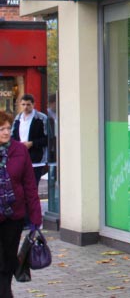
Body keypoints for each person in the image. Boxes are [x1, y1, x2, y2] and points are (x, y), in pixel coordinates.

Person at [0, 110, 42, 297]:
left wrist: (35, 218)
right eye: (1, 129)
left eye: (8, 128)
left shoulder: (19, 150)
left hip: (13, 216)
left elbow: (30, 186)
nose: (6, 132)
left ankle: (5, 290)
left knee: (9, 259)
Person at [11, 96, 47, 184]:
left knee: (33, 185)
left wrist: (32, 143)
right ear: (20, 105)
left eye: (28, 104)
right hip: (20, 157)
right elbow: (12, 136)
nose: (25, 107)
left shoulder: (41, 118)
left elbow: (48, 138)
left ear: (33, 104)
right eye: (23, 104)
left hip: (36, 159)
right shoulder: (17, 118)